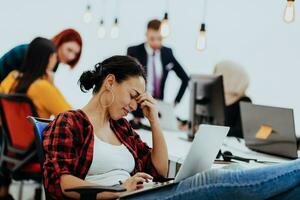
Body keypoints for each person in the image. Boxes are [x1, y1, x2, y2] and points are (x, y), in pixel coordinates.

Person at [43, 55, 300, 200]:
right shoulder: (70, 122)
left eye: (139, 99)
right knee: (215, 178)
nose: (134, 105)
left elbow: (159, 169)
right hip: (122, 198)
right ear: (110, 82)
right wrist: (117, 190)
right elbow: (60, 183)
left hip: (143, 193)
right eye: (133, 95)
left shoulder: (122, 129)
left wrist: (154, 120)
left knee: (276, 189)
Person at [0, 37, 72, 199]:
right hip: (36, 154)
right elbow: (71, 117)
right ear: (48, 59)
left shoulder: (11, 78)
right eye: (54, 58)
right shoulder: (42, 87)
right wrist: (52, 84)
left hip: (10, 152)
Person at [127, 19, 189, 128]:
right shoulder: (134, 51)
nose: (156, 43)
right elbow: (127, 81)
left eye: (159, 39)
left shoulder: (167, 53)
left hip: (158, 111)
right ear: (146, 35)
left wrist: (175, 103)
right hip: (137, 111)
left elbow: (185, 78)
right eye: (152, 39)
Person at [0, 28, 82, 82]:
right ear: (60, 43)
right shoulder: (25, 52)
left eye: (75, 54)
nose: (71, 57)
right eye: (69, 50)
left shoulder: (54, 64)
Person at [214, 60, 252, 138]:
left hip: (232, 146)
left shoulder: (245, 101)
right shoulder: (218, 99)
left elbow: (240, 132)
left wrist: (212, 130)